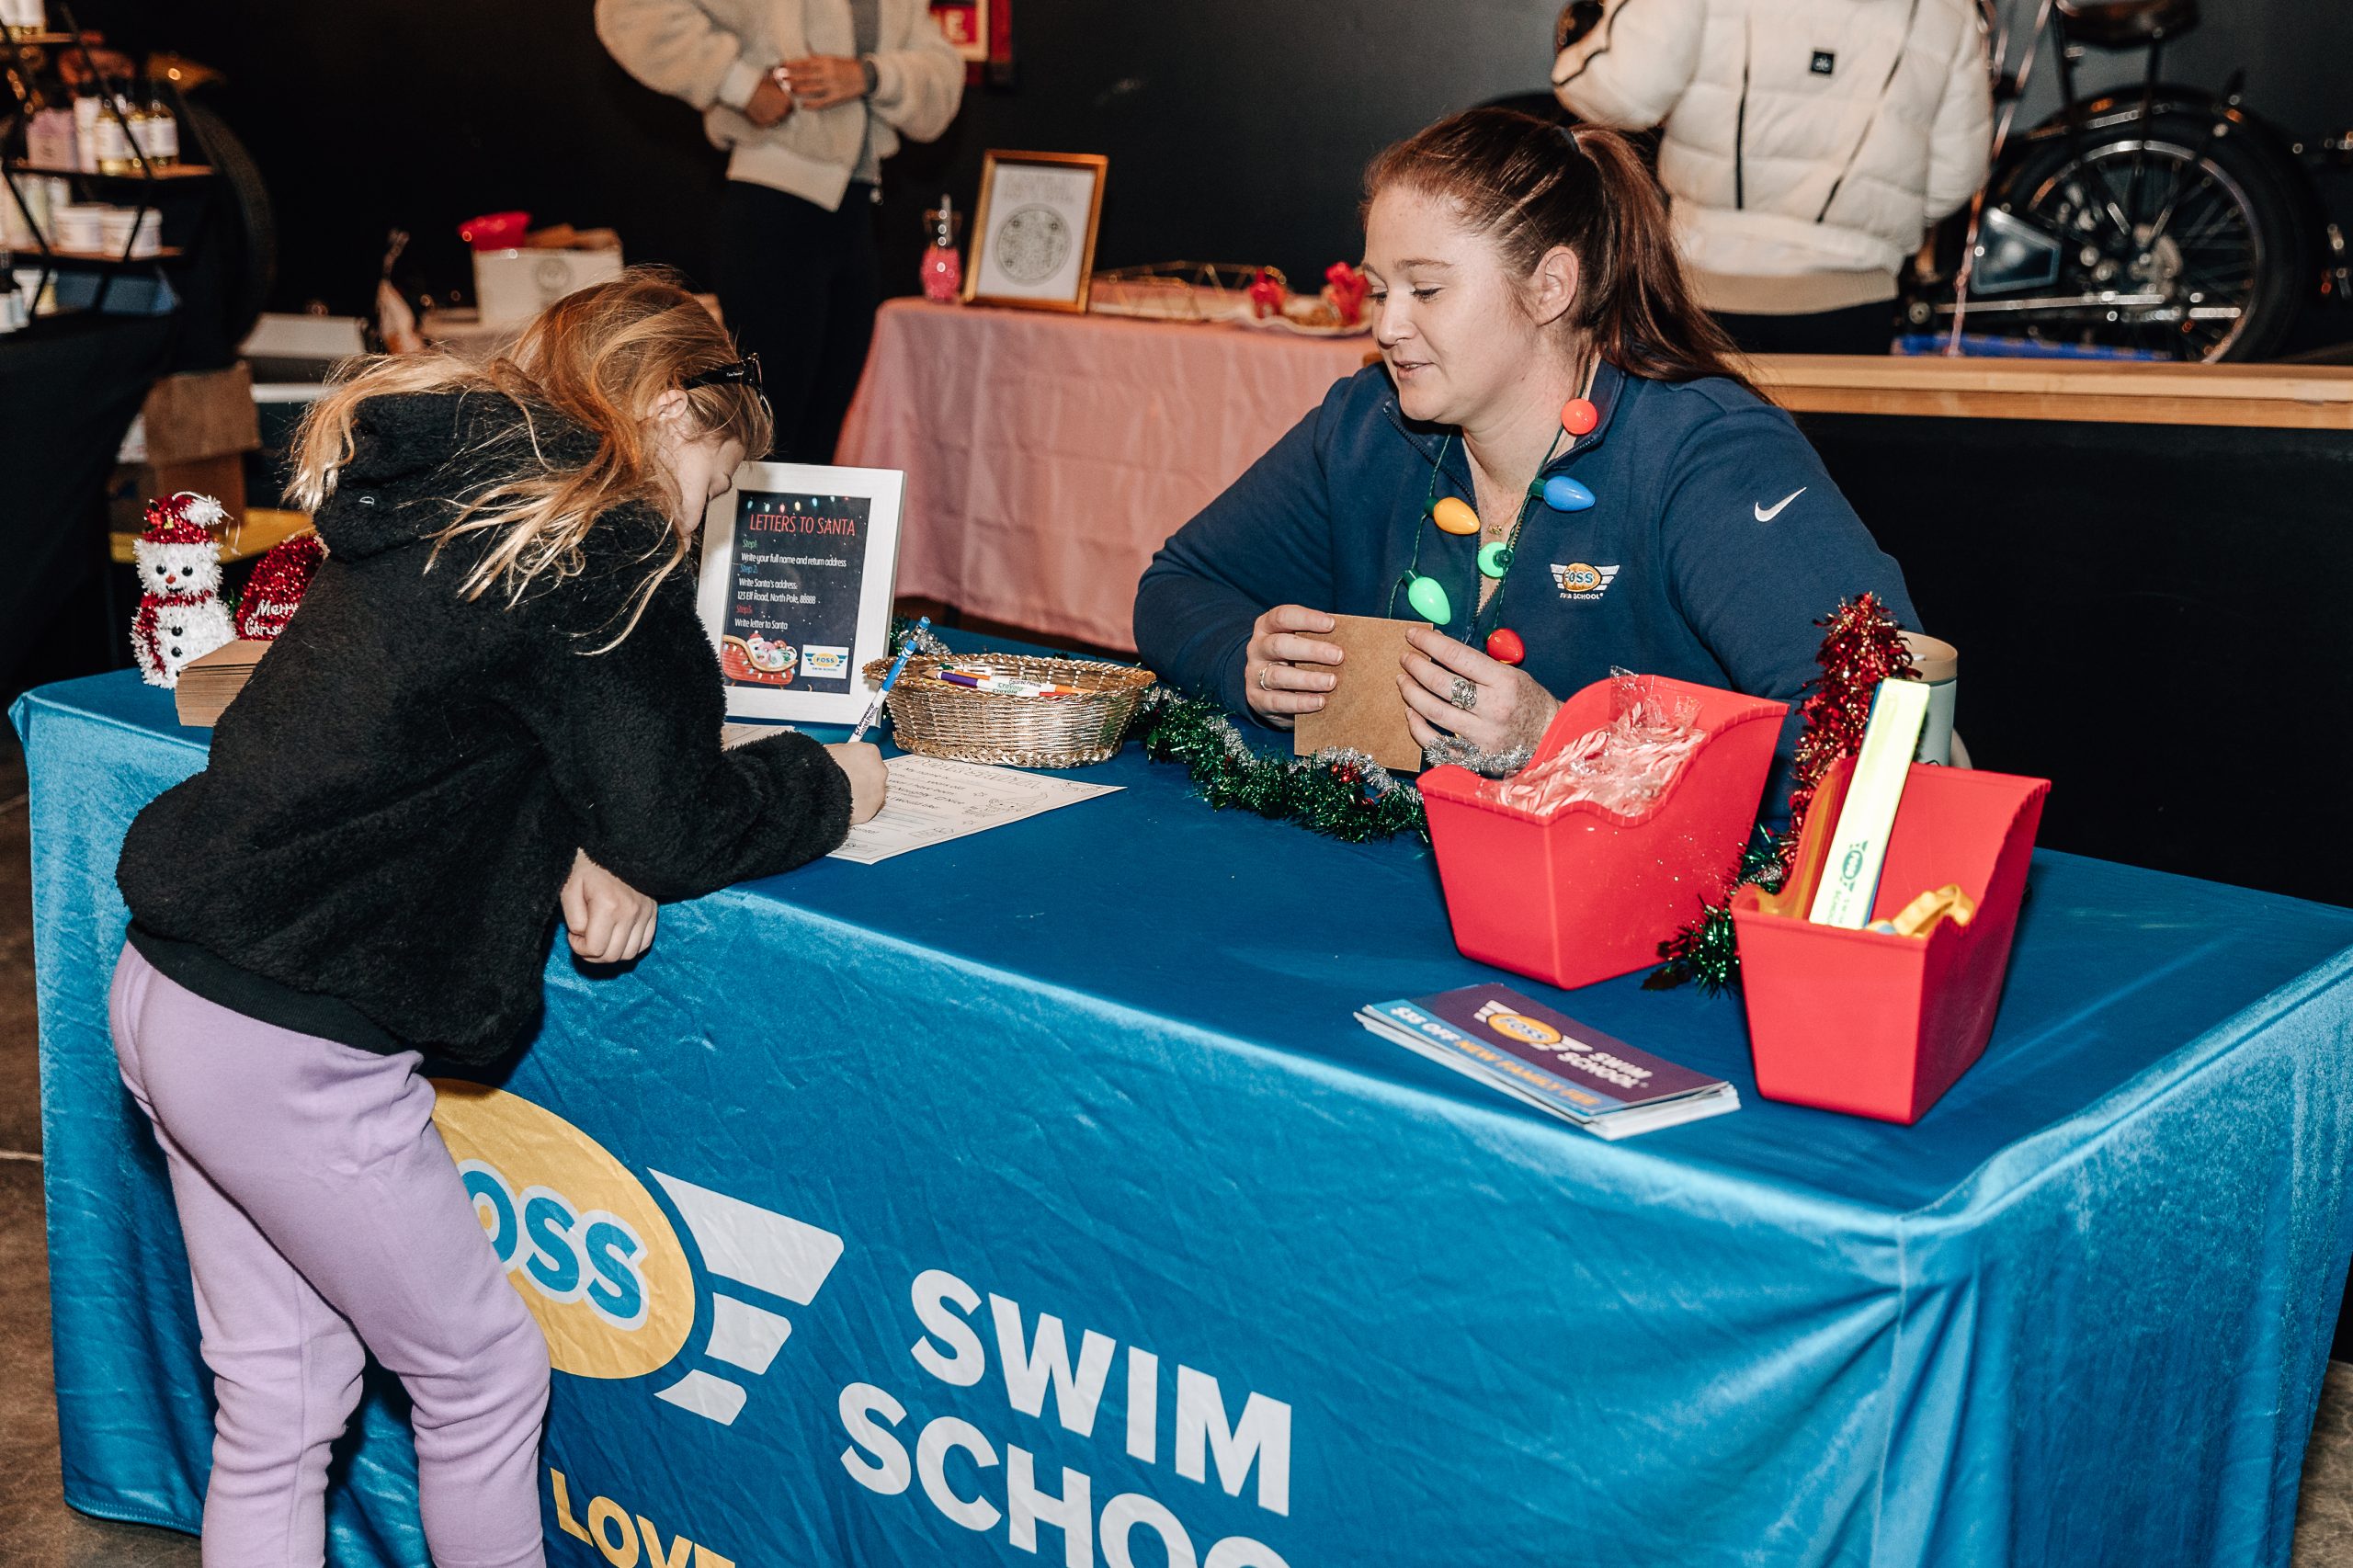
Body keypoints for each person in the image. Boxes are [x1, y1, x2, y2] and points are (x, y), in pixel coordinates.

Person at [108, 269, 887, 1566]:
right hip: (298, 1040)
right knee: (480, 1380)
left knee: (280, 1402)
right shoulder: (602, 539)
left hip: (174, 987)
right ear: (671, 409)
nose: (707, 511)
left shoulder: (467, 497)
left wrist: (590, 826)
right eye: (718, 471)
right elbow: (678, 824)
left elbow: (469, 725)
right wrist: (830, 782)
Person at [1133, 108, 1919, 789]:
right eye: (1380, 290)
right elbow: (1177, 587)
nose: (1387, 327)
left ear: (1550, 288)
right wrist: (1249, 662)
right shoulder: (1369, 423)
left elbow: (1878, 733)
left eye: (1427, 290)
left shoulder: (1706, 455)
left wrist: (1570, 741)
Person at [597, 0, 964, 460]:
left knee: (822, 439)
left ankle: (796, 535)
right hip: (773, 206)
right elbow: (629, 12)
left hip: (856, 211)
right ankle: (745, 534)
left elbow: (944, 74)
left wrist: (868, 74)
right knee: (769, 436)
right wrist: (740, 83)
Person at [1552, 0, 1992, 355]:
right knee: (1825, 463)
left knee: (1703, 461)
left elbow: (1617, 90)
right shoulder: (1949, 11)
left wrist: (1589, 41)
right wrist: (1877, 212)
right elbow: (1957, 172)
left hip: (1705, 288)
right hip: (1852, 298)